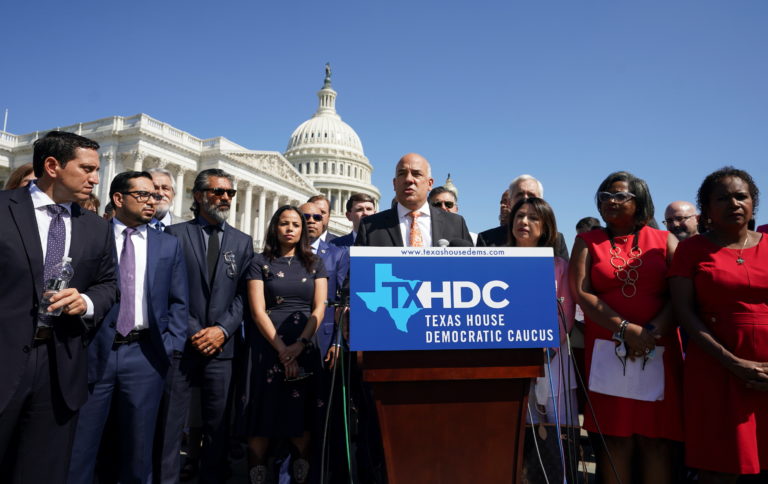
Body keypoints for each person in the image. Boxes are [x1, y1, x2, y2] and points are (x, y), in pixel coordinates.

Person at [0, 131, 118, 483]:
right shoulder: (4, 210)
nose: (96, 178)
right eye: (87, 169)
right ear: (52, 166)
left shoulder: (97, 228)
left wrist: (85, 301)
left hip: (60, 368)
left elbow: (109, 285)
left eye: (97, 170)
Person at [68, 171, 188, 484]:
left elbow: (179, 302)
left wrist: (171, 346)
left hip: (145, 356)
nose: (154, 200)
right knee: (82, 447)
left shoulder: (168, 245)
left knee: (138, 450)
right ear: (118, 199)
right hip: (94, 351)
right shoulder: (93, 234)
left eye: (156, 195)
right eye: (144, 195)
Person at [569, 171, 683, 483]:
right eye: (605, 196)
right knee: (614, 438)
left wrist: (651, 331)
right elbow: (582, 292)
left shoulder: (664, 240)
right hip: (608, 349)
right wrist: (625, 329)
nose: (610, 201)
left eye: (620, 195)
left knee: (655, 440)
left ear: (640, 201)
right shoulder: (587, 241)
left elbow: (681, 294)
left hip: (657, 349)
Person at [669, 167, 768, 481]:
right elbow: (684, 313)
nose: (734, 203)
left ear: (754, 203)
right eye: (723, 198)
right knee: (719, 468)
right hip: (714, 369)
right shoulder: (691, 250)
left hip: (766, 373)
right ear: (707, 209)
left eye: (742, 196)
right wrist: (734, 363)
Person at [157, 169, 254, 483]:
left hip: (222, 348)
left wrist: (222, 330)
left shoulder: (242, 242)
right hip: (182, 346)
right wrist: (193, 330)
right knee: (172, 423)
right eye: (217, 191)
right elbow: (165, 291)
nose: (225, 198)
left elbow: (243, 294)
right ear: (198, 196)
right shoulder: (173, 235)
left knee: (218, 426)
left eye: (230, 193)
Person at [245, 205, 328, 484]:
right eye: (284, 223)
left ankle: (300, 475)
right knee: (263, 416)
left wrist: (300, 345)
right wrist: (282, 350)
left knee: (300, 417)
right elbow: (257, 311)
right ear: (274, 227)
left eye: (296, 223)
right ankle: (257, 474)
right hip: (268, 346)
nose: (290, 228)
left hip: (305, 342)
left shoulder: (315, 263)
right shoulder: (259, 262)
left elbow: (320, 307)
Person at [508, 198, 577, 427]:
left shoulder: (559, 266)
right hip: (511, 361)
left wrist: (550, 350)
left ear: (546, 227)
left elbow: (566, 311)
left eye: (533, 218)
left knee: (558, 432)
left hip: (552, 361)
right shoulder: (497, 262)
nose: (524, 221)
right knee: (521, 433)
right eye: (519, 216)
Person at [355, 153, 472, 247]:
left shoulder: (456, 223)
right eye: (402, 174)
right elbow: (355, 273)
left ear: (430, 184)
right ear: (395, 184)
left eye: (416, 174)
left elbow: (472, 269)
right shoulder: (370, 226)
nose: (409, 179)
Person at [477, 175, 569, 259]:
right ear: (509, 203)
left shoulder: (557, 240)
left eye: (531, 195)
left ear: (541, 203)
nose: (526, 199)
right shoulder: (487, 239)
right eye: (520, 195)